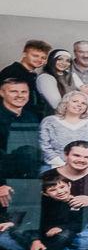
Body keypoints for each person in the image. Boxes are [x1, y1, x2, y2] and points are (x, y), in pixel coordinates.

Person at [0, 142, 88, 250]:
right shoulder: (47, 177)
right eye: (76, 155)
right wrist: (15, 224)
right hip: (44, 227)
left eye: (87, 157)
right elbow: (32, 208)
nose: (81, 160)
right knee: (3, 238)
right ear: (66, 155)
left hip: (78, 227)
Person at [0, 78, 38, 238]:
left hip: (26, 182)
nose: (20, 95)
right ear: (2, 93)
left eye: (24, 91)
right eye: (13, 91)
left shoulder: (32, 117)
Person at [39, 89, 88, 169]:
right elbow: (44, 146)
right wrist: (61, 165)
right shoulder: (49, 121)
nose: (79, 105)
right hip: (57, 164)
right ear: (66, 103)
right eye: (75, 101)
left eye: (83, 103)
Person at [0, 39, 53, 118]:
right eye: (35, 56)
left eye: (43, 58)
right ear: (24, 54)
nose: (39, 60)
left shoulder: (31, 74)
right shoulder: (12, 72)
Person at [35, 48, 73, 115]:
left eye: (68, 61)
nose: (64, 63)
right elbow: (56, 105)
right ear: (52, 60)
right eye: (59, 59)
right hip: (55, 116)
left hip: (71, 114)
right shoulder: (46, 78)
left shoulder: (69, 76)